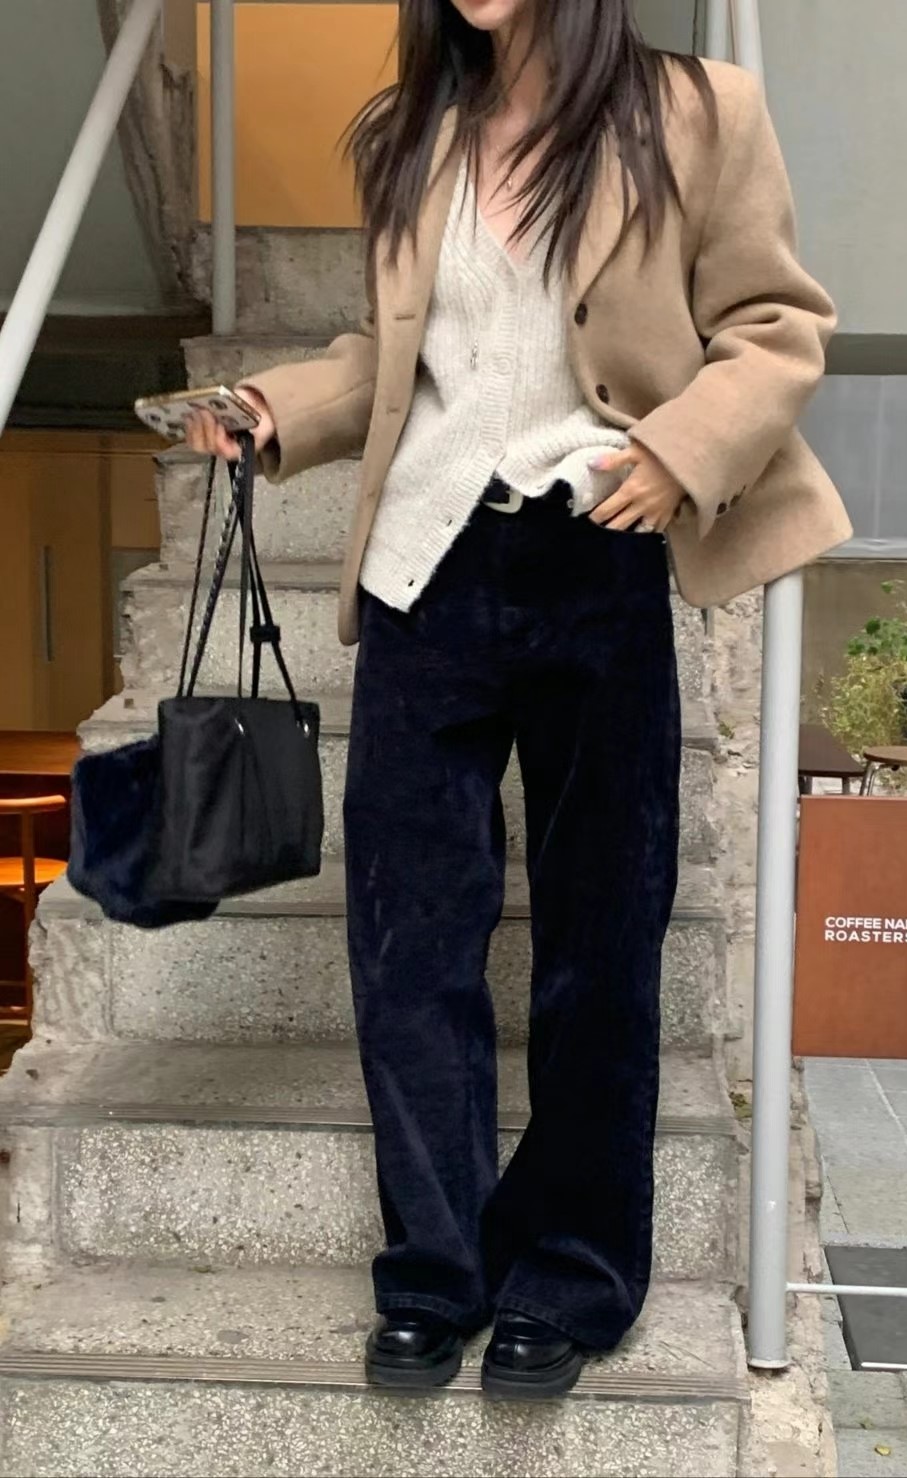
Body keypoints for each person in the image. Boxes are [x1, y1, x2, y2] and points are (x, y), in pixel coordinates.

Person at [185, 0, 851, 1399]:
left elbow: (777, 324)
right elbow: (395, 355)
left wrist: (680, 451)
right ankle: (433, 1272)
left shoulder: (695, 112)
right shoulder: (409, 129)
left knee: (601, 935)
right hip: (426, 566)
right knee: (407, 939)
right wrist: (275, 407)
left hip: (594, 553)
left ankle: (574, 1271)